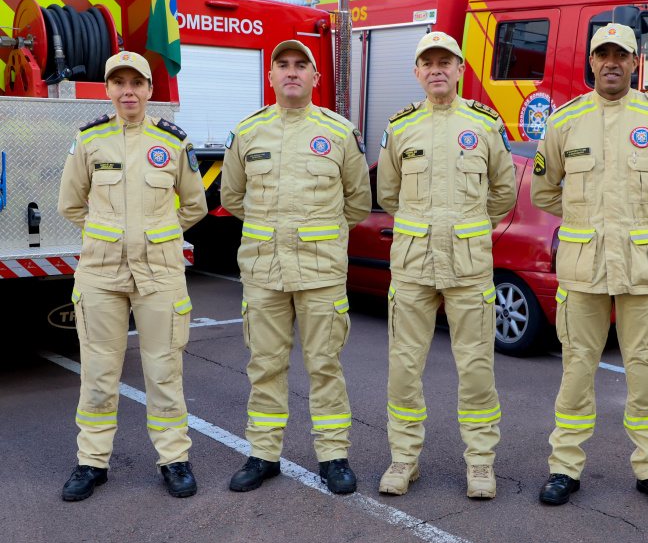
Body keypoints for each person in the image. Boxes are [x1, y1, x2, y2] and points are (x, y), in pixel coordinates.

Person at [531, 24, 648, 507]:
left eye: (620, 55)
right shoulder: (565, 121)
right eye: (602, 54)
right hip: (584, 267)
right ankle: (564, 468)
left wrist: (639, 221)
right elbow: (544, 190)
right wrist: (592, 222)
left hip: (642, 267)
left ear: (635, 61)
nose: (610, 62)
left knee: (644, 371)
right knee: (576, 370)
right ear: (590, 62)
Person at [221, 40, 371, 494]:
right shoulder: (248, 133)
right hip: (264, 272)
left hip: (320, 272)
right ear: (270, 77)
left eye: (300, 65)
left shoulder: (340, 132)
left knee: (325, 366)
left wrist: (314, 234)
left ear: (315, 77)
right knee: (264, 365)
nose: (291, 72)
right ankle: (263, 455)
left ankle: (333, 456)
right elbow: (232, 198)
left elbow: (358, 203)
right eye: (282, 65)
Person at [58, 51, 207, 500]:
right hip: (100, 275)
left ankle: (175, 461)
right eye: (118, 82)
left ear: (149, 90)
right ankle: (91, 463)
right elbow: (70, 203)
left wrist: (156, 238)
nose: (128, 90)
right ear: (107, 90)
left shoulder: (172, 141)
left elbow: (195, 206)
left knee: (164, 370)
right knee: (99, 373)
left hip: (160, 274)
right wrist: (109, 239)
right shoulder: (89, 140)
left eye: (136, 82)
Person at [375, 32, 516, 498]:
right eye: (427, 62)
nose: (437, 69)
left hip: (469, 266)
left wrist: (467, 227)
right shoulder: (400, 128)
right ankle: (404, 459)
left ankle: (480, 463)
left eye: (446, 61)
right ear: (417, 72)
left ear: (459, 69)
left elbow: (503, 192)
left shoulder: (485, 124)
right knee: (403, 367)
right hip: (413, 265)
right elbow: (388, 195)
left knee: (476, 368)